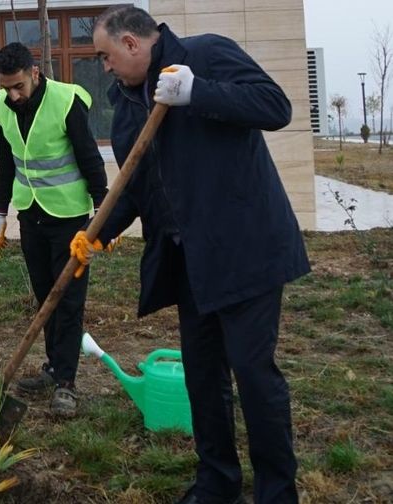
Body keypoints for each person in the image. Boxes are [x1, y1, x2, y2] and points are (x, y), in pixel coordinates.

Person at [71, 7, 309, 504]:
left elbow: (275, 106)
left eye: (106, 56)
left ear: (133, 44)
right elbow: (137, 186)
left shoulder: (205, 54)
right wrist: (95, 233)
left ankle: (276, 493)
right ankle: (217, 484)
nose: (106, 67)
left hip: (245, 249)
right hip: (190, 262)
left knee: (252, 372)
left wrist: (198, 91)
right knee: (203, 378)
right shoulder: (127, 101)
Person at [0, 42, 107, 417]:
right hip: (31, 214)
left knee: (68, 300)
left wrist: (104, 211)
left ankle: (67, 384)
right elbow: (6, 162)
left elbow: (89, 156)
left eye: (19, 85)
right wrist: (0, 211)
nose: (12, 94)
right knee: (45, 297)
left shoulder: (65, 102)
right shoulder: (2, 107)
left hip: (71, 219)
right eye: (5, 87)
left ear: (35, 73)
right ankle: (54, 367)